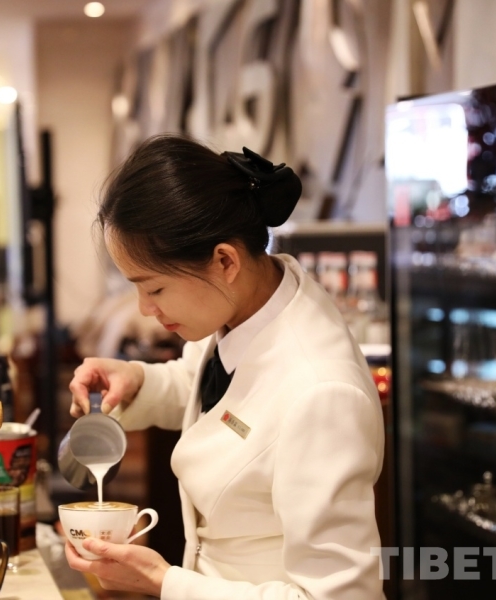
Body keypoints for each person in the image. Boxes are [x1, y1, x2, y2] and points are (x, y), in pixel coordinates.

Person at [65, 134, 385, 599]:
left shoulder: (322, 392)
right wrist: (138, 380)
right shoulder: (247, 307)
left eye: (154, 289)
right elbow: (220, 399)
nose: (144, 309)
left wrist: (164, 583)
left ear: (224, 260)